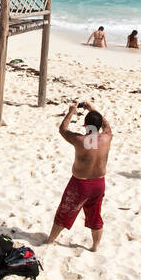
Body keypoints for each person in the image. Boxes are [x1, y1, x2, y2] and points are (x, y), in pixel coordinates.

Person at [47, 100, 112, 252]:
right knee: (95, 215)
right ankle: (95, 246)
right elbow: (106, 126)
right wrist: (93, 110)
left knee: (65, 211)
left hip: (81, 184)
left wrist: (71, 112)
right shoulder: (107, 138)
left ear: (85, 125)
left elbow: (63, 129)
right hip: (99, 184)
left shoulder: (80, 140)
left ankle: (50, 240)